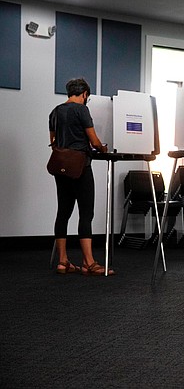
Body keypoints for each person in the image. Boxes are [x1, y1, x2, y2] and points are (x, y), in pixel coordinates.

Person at [49, 78, 113, 276]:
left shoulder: (55, 111)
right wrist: (102, 148)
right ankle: (89, 263)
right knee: (86, 213)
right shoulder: (82, 110)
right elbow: (93, 140)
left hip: (60, 166)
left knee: (63, 212)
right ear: (84, 93)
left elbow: (52, 139)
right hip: (80, 167)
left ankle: (63, 262)